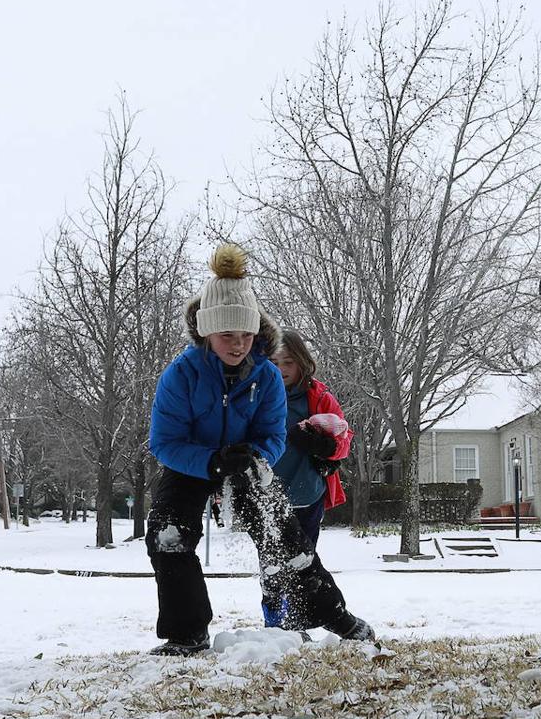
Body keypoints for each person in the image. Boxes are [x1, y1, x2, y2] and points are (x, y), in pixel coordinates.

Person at [146, 243, 374, 655]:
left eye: (246, 335)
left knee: (286, 538)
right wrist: (211, 461)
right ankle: (187, 632)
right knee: (168, 535)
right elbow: (164, 442)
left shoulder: (267, 375)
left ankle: (335, 615)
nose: (238, 344)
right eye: (227, 335)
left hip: (247, 462)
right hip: (191, 462)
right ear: (206, 333)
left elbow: (273, 434)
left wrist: (254, 457)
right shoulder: (180, 375)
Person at [261, 328, 352, 627]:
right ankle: (273, 623)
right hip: (267, 498)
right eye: (273, 362)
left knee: (302, 563)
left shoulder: (319, 396)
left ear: (302, 362)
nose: (281, 369)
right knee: (270, 564)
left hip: (307, 494)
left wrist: (326, 448)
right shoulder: (257, 394)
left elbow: (343, 437)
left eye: (287, 362)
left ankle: (298, 622)